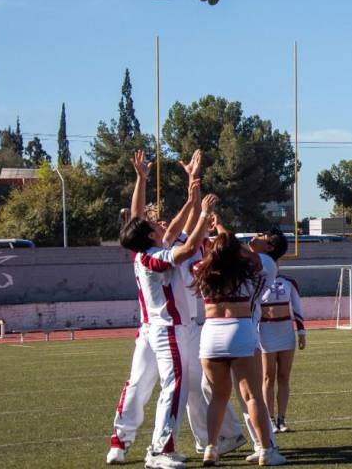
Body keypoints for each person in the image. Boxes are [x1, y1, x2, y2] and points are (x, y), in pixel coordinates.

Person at [107, 151, 213, 469]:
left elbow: (148, 220)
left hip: (160, 327)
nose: (156, 220)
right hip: (162, 327)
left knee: (176, 383)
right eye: (153, 222)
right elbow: (187, 246)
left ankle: (168, 442)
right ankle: (151, 448)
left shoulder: (149, 247)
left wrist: (190, 188)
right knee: (152, 384)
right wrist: (203, 213)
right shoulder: (153, 254)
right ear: (150, 233)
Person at [193, 201, 286, 467]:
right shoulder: (252, 271)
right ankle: (267, 450)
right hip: (241, 329)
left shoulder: (202, 272)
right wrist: (225, 234)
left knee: (217, 397)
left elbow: (210, 252)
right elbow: (250, 259)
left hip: (210, 334)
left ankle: (211, 448)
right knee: (252, 396)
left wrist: (212, 226)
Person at [257, 229, 307, 433]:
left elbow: (297, 308)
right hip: (265, 331)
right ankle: (268, 419)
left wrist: (302, 332)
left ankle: (282, 419)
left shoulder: (288, 282)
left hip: (285, 331)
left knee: (284, 376)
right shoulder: (258, 280)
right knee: (268, 376)